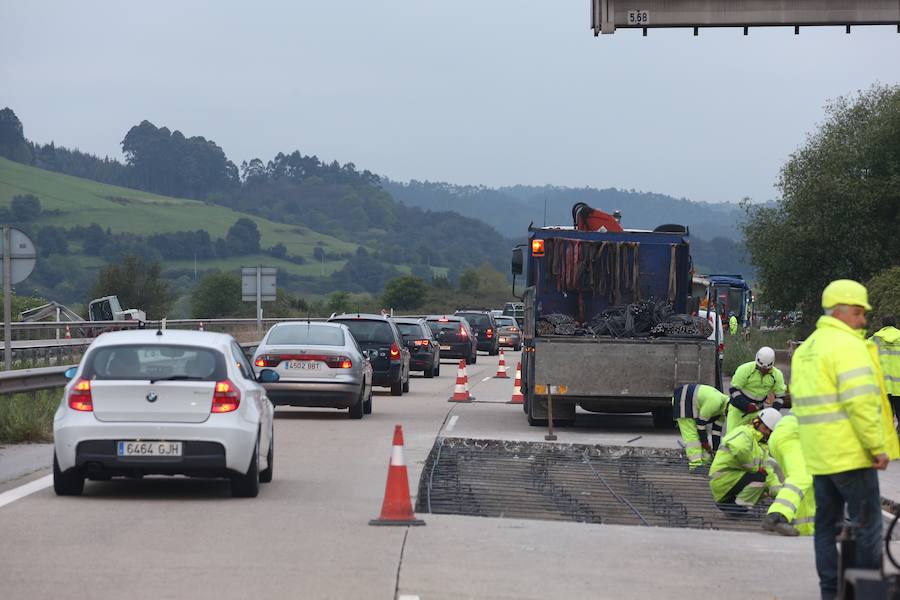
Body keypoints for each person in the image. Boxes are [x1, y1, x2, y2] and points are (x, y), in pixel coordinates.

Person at [791, 279, 900, 600]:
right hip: (851, 455)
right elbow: (861, 403)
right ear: (840, 311)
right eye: (858, 312)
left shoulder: (807, 348)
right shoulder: (848, 346)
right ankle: (865, 593)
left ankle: (831, 592)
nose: (863, 320)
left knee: (825, 527)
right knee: (868, 528)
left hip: (820, 455)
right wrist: (876, 447)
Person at [709, 408, 782, 512]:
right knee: (760, 476)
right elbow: (740, 449)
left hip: (731, 480)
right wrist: (755, 468)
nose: (767, 432)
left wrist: (782, 495)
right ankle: (736, 508)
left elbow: (769, 474)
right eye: (765, 428)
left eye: (770, 431)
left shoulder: (762, 446)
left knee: (765, 484)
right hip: (722, 479)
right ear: (757, 423)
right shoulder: (744, 432)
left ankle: (733, 506)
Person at [761, 413, 815, 537]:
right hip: (793, 435)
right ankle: (776, 516)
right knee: (802, 477)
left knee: (806, 485)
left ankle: (805, 528)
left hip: (788, 433)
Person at [725, 346, 788, 433]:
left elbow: (780, 396)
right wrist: (746, 405)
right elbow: (733, 389)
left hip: (757, 411)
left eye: (766, 369)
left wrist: (772, 412)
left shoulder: (777, 375)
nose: (763, 370)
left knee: (757, 438)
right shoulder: (745, 369)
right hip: (737, 410)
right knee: (731, 437)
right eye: (761, 368)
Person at [671, 384, 729, 470]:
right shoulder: (715, 402)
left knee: (701, 439)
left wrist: (716, 452)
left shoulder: (724, 410)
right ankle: (695, 465)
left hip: (695, 405)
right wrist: (705, 443)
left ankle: (705, 463)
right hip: (683, 399)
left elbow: (716, 432)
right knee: (692, 437)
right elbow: (700, 425)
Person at [870, 315, 900, 425]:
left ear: (883, 325)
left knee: (885, 417)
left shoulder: (875, 339)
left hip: (882, 385)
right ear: (895, 324)